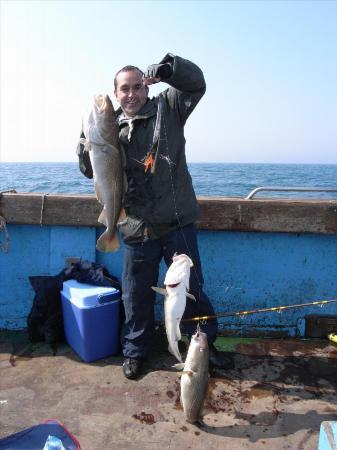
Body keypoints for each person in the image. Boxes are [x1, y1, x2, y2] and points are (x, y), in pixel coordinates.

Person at [113, 53, 232, 379]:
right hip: (136, 225)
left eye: (138, 87)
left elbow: (197, 83)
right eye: (125, 89)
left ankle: (204, 345)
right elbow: (88, 169)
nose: (132, 94)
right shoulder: (109, 127)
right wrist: (86, 145)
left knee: (191, 289)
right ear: (116, 94)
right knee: (135, 293)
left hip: (177, 221)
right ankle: (136, 350)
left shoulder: (170, 106)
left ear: (147, 89)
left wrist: (169, 69)